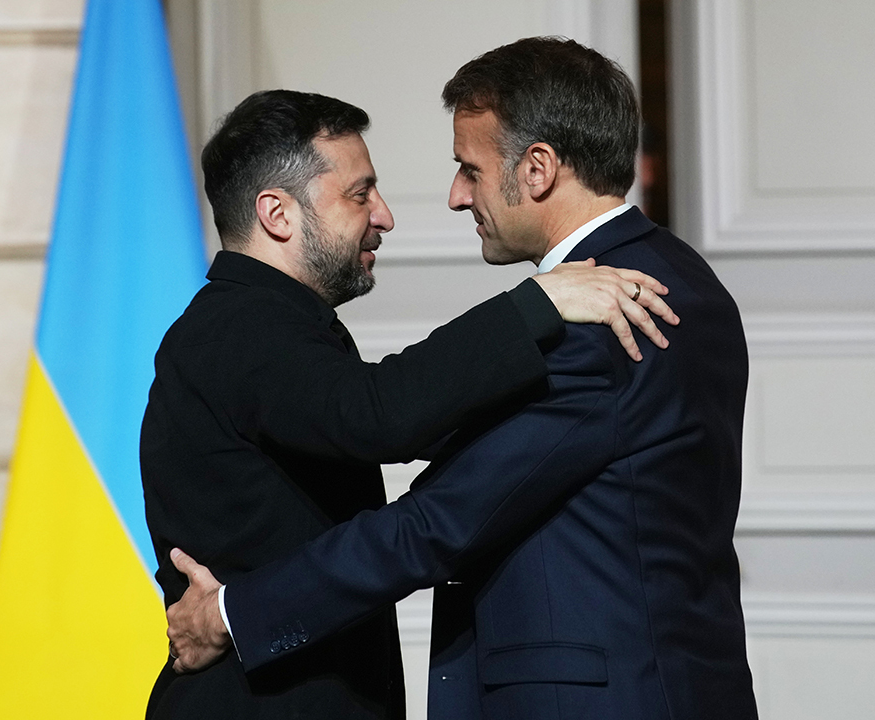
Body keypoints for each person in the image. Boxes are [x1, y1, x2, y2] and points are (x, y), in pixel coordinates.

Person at [165, 38, 759, 720]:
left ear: (537, 169)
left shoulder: (605, 318)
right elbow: (394, 414)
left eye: (469, 170)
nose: (454, 196)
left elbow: (435, 520)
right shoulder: (674, 275)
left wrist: (234, 615)